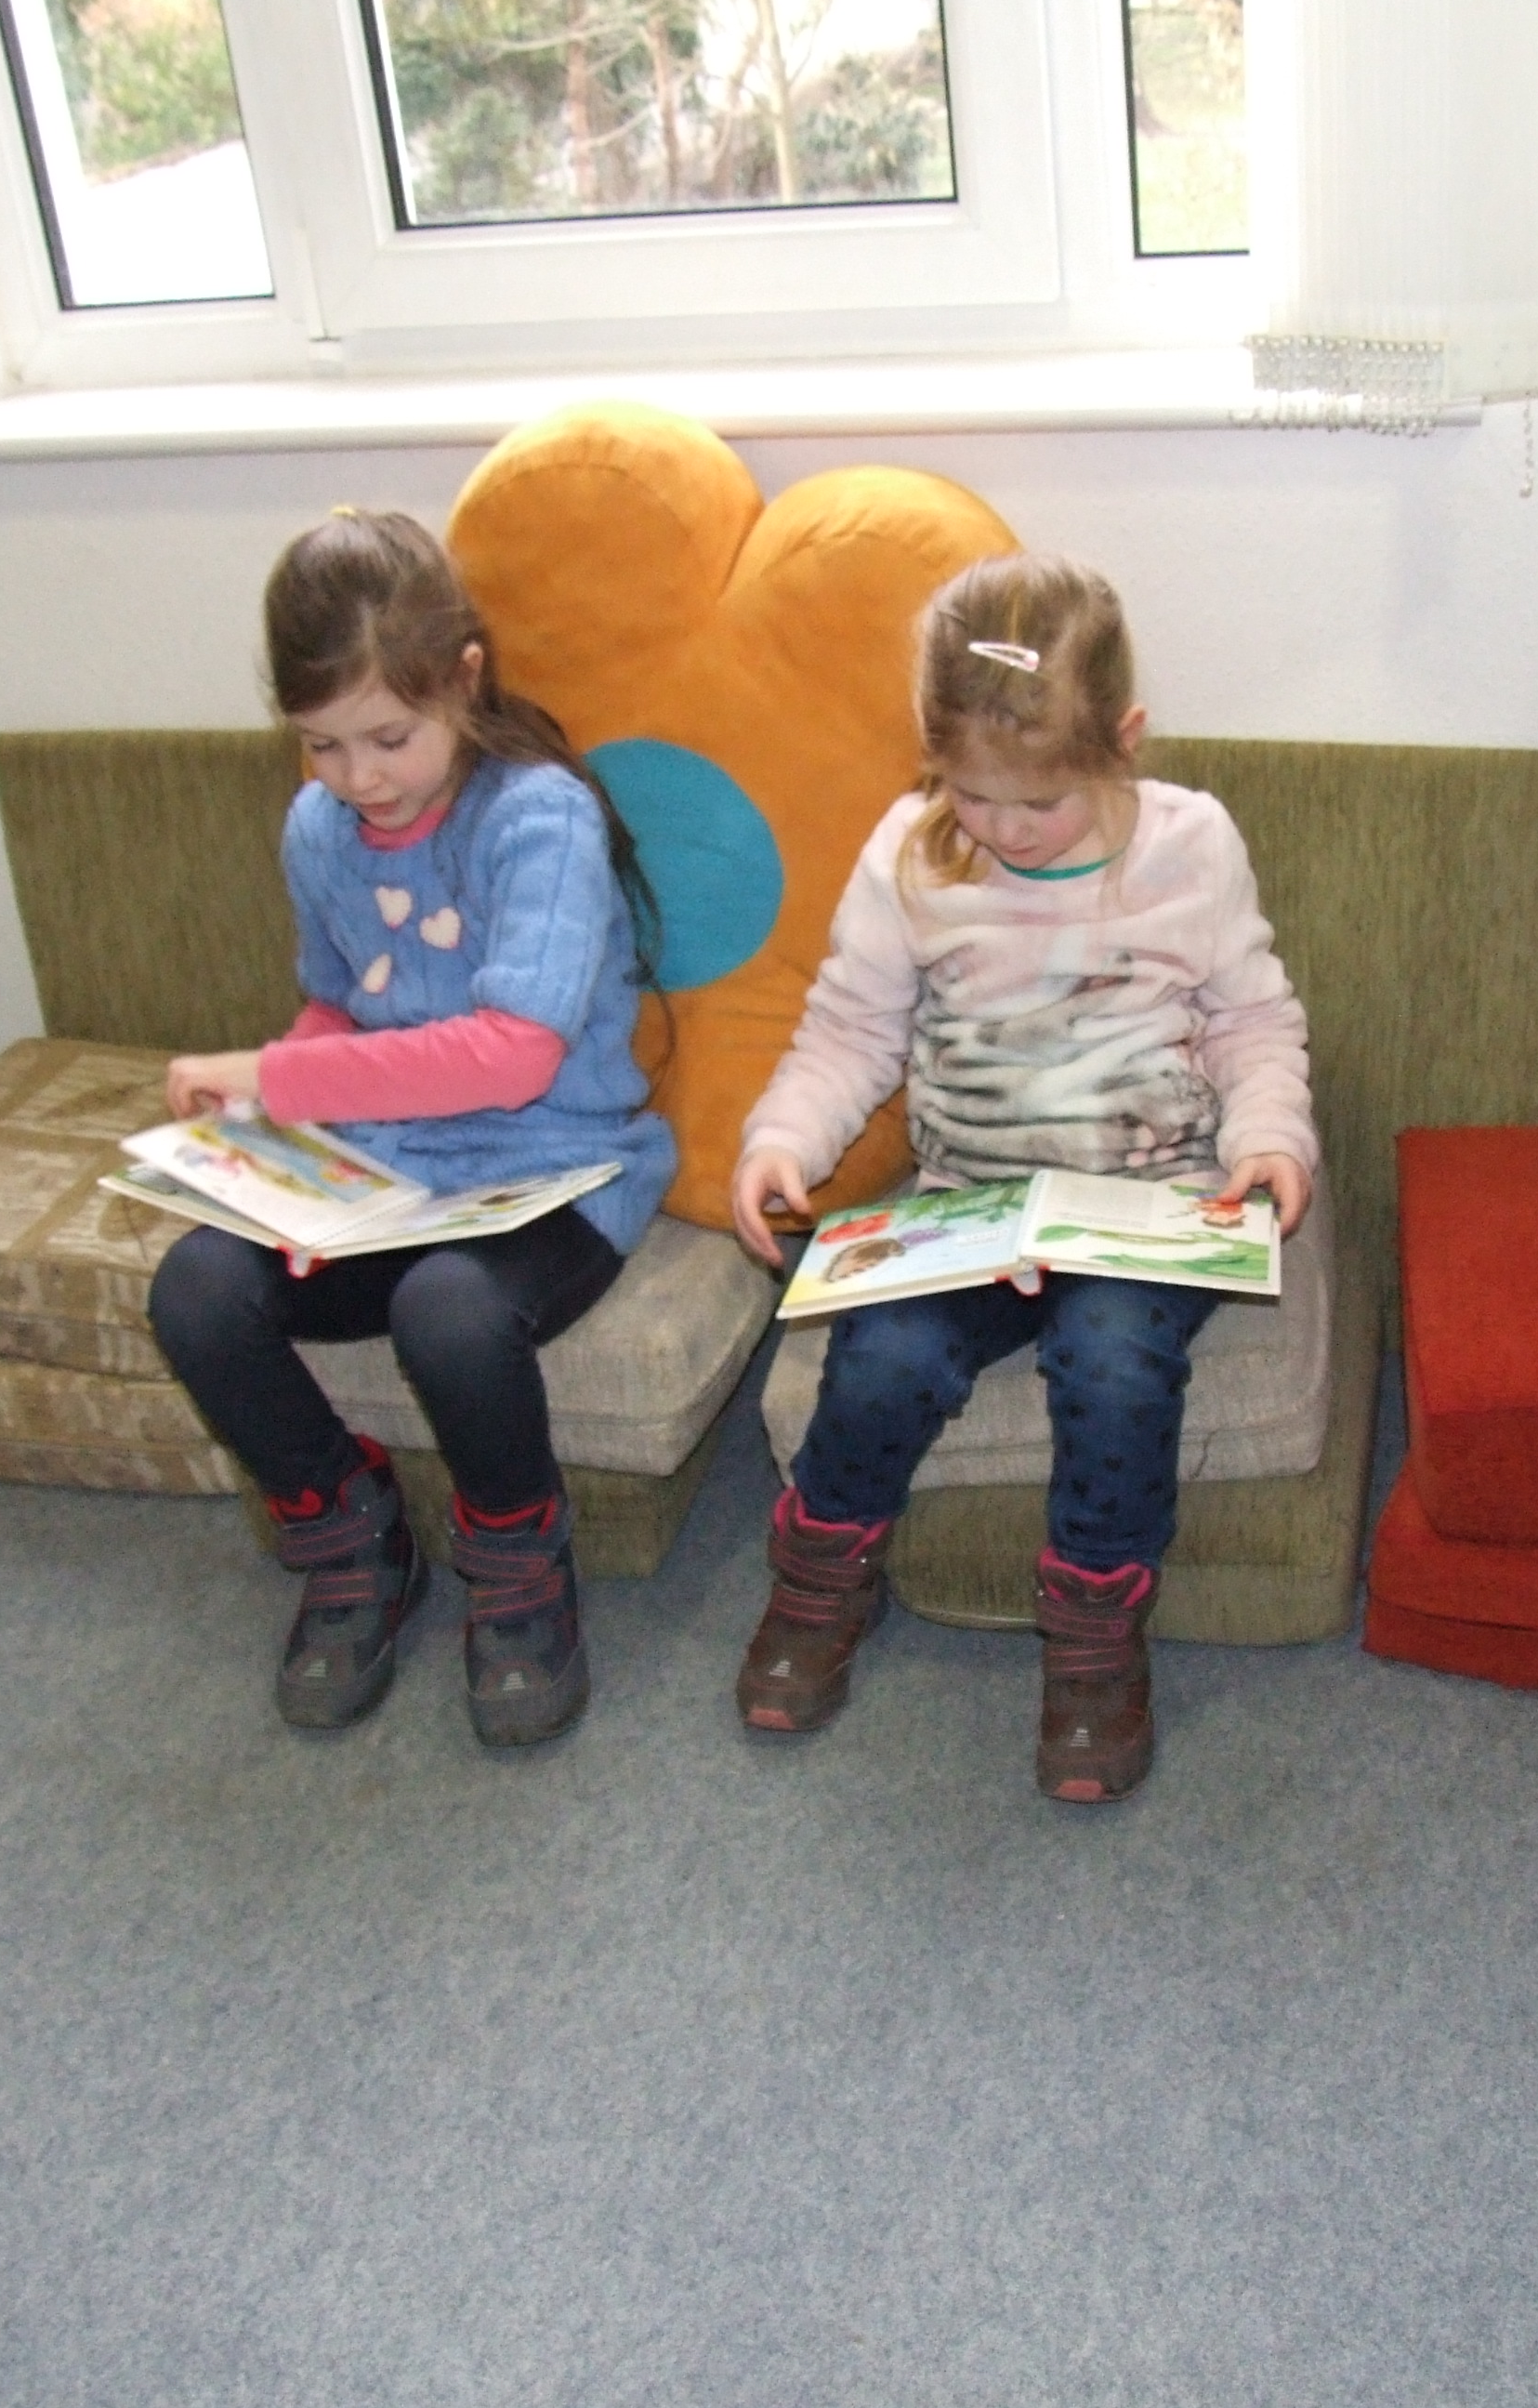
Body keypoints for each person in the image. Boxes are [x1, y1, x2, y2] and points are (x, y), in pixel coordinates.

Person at [728, 553, 1317, 1802]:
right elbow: (850, 1031)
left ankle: (1095, 1634)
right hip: (971, 1204)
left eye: (1039, 802)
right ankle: (822, 1578)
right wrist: (784, 1139)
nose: (1001, 830)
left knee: (1112, 1364)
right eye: (969, 794)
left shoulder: (1192, 846)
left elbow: (1250, 1020)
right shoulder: (911, 855)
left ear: (1124, 742)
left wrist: (1269, 1137)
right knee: (879, 1356)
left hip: (1151, 1204)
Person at [147, 507, 674, 1747]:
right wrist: (266, 1127)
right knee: (196, 1289)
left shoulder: (538, 817)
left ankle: (518, 1563)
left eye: (390, 736)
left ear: (464, 678)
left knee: (449, 1311)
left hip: (556, 1172)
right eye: (322, 745)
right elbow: (341, 1002)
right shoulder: (318, 827)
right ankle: (349, 1533)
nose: (360, 778)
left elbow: (513, 1056)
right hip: (391, 1172)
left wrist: (274, 1076)